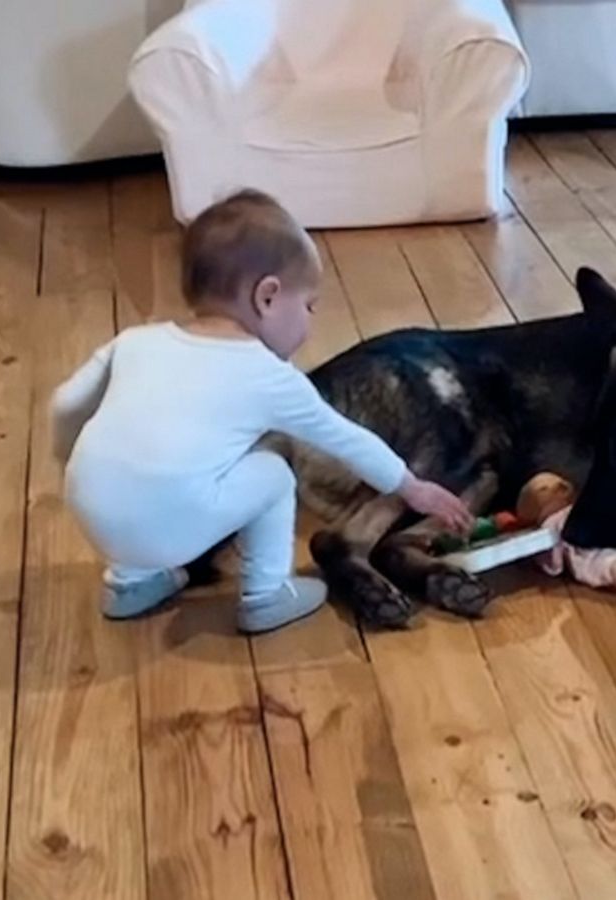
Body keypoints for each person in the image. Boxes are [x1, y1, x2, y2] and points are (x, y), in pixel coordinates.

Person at [49, 188, 472, 633]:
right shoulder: (267, 376)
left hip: (89, 508)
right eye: (308, 305)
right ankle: (266, 596)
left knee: (169, 468)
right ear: (267, 297)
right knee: (272, 471)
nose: (310, 322)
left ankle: (129, 585)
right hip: (168, 528)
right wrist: (414, 488)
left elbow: (64, 403)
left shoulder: (135, 340)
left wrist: (69, 464)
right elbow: (345, 438)